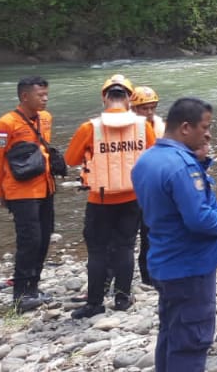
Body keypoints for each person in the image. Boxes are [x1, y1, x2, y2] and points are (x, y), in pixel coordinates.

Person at [132, 98, 217, 372]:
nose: (209, 134)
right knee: (192, 339)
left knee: (171, 332)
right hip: (189, 265)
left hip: (163, 261)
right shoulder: (182, 166)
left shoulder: (148, 159)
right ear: (186, 127)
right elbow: (201, 220)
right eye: (205, 127)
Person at [63, 74, 156, 319]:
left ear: (105, 98)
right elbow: (155, 157)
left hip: (100, 200)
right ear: (129, 99)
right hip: (132, 198)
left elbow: (70, 160)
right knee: (125, 247)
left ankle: (94, 303)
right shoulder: (142, 126)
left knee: (97, 252)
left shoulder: (89, 128)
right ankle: (123, 298)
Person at [0, 75, 57, 313]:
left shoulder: (45, 119)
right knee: (29, 241)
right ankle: (20, 295)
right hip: (20, 192)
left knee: (45, 237)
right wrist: (0, 193)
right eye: (40, 95)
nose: (45, 99)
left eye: (46, 94)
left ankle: (34, 288)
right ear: (24, 96)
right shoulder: (4, 125)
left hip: (46, 187)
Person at [131, 85, 162, 286]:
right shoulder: (127, 128)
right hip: (129, 188)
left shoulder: (160, 125)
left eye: (152, 108)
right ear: (134, 108)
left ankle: (148, 275)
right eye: (144, 108)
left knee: (150, 234)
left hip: (151, 188)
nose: (149, 112)